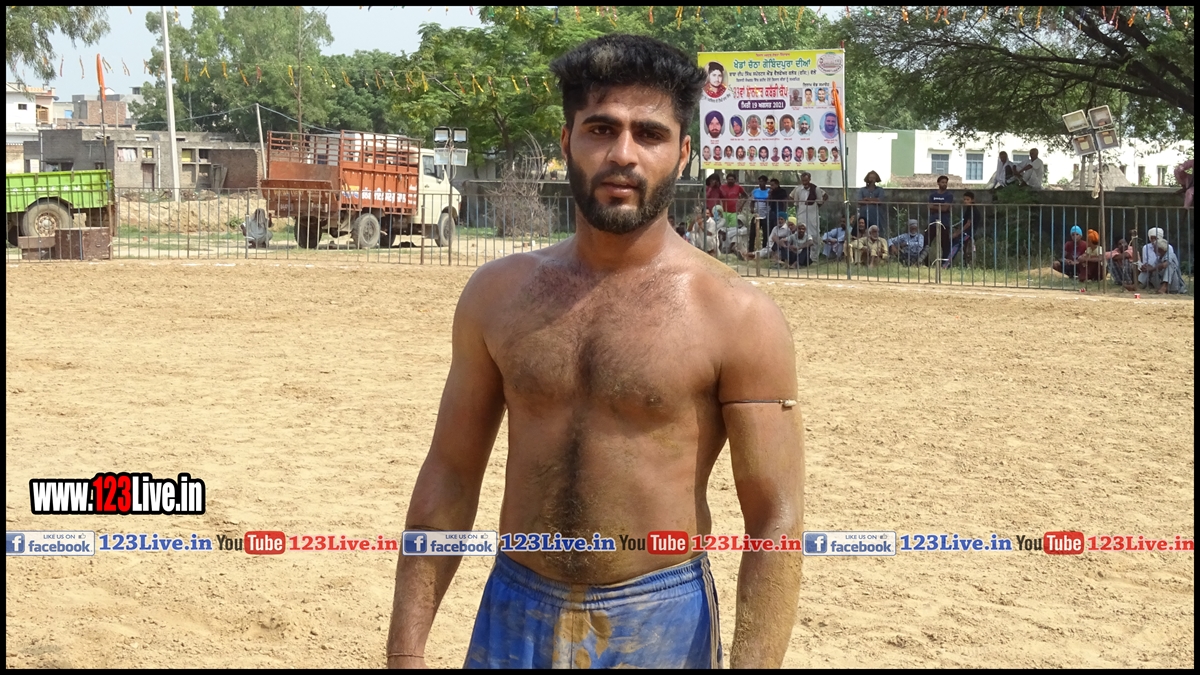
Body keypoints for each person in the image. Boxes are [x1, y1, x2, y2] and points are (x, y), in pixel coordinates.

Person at [389, 34, 803, 670]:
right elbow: (450, 473)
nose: (623, 154)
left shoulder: (738, 317)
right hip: (513, 609)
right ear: (566, 142)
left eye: (650, 134)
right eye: (601, 129)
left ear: (684, 153)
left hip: (661, 619)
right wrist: (405, 651)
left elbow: (775, 519)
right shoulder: (497, 296)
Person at [750, 175, 772, 251]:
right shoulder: (755, 191)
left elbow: (770, 201)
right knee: (753, 232)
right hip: (757, 215)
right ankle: (751, 249)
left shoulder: (769, 191)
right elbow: (752, 202)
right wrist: (752, 209)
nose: (760, 183)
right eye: (759, 181)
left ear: (765, 182)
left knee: (766, 233)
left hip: (766, 215)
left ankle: (764, 250)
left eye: (762, 181)